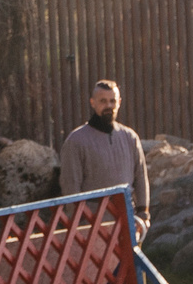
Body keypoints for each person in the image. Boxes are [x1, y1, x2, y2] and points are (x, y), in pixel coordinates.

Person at [59, 79, 151, 226]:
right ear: (92, 102)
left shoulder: (130, 137)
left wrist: (143, 212)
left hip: (127, 216)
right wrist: (80, 220)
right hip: (92, 220)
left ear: (119, 102)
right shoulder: (76, 141)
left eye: (112, 101)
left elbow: (140, 177)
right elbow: (71, 185)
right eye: (103, 101)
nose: (109, 106)